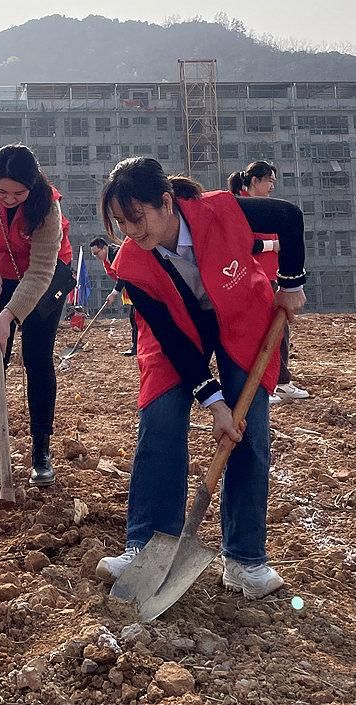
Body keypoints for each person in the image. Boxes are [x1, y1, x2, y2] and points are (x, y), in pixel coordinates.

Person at [94, 157, 306, 600]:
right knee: (161, 419)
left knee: (250, 432)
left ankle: (245, 559)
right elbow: (173, 340)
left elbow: (288, 217)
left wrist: (291, 281)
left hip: (241, 316)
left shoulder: (220, 210)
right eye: (120, 222)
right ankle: (147, 543)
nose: (130, 232)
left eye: (136, 218)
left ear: (167, 203)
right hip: (178, 329)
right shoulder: (132, 265)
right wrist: (213, 403)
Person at [0, 144, 72, 488]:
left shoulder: (47, 206)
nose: (8, 198)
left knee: (37, 359)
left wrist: (9, 316)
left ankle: (41, 453)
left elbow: (40, 272)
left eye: (17, 193)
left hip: (44, 277)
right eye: (0, 191)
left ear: (32, 187)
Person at [229, 162, 309, 405]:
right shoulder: (239, 206)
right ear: (255, 181)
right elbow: (243, 244)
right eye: (269, 181)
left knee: (279, 330)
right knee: (262, 332)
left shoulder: (268, 209)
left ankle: (280, 381)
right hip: (250, 278)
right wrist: (272, 246)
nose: (272, 186)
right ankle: (270, 384)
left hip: (271, 278)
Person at [91, 237, 138, 356]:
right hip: (133, 287)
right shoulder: (108, 259)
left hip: (140, 286)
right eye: (94, 255)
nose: (96, 257)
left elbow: (122, 275)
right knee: (134, 318)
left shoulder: (117, 254)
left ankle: (137, 347)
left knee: (136, 318)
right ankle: (136, 346)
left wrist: (114, 293)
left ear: (104, 248)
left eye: (97, 253)